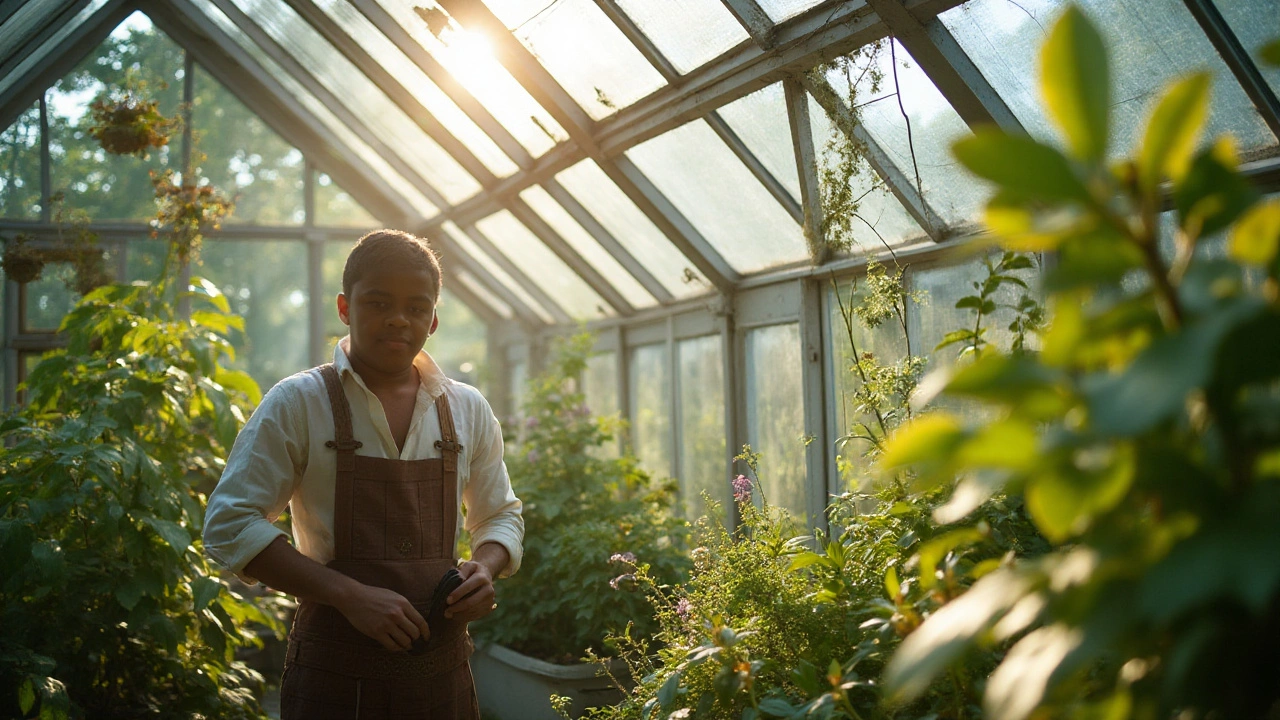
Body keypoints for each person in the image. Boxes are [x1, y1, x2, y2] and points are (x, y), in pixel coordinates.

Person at [203, 229, 523, 718]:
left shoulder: (467, 408)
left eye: (417, 307)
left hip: (442, 677)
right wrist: (348, 595)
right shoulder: (298, 402)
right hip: (333, 677)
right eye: (378, 303)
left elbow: (500, 515)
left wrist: (485, 566)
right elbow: (229, 524)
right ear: (345, 308)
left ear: (434, 319)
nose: (399, 319)